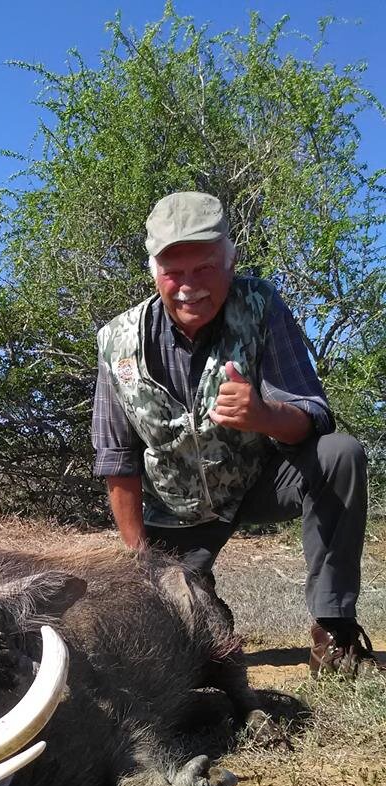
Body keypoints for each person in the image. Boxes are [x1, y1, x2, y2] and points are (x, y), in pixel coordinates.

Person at [92, 191, 379, 678]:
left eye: (204, 268)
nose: (188, 287)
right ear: (153, 271)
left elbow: (315, 414)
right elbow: (116, 458)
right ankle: (204, 608)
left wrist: (264, 415)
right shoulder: (116, 341)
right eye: (172, 272)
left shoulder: (260, 304)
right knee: (187, 639)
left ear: (231, 260)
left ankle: (335, 631)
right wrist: (143, 566)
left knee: (340, 454)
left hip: (261, 479)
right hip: (179, 513)